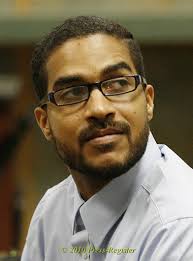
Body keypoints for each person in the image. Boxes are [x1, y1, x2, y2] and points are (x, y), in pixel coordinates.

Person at [21, 16, 193, 261]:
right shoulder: (52, 211)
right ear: (45, 122)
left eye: (118, 83)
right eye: (72, 92)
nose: (99, 109)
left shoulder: (181, 226)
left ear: (148, 101)